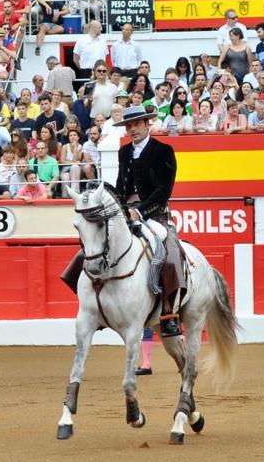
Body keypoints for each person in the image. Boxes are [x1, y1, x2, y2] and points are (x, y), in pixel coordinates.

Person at [61, 105, 184, 337]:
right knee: (93, 246)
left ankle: (169, 313)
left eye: (137, 124)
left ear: (148, 124)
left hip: (155, 212)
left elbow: (164, 190)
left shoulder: (164, 150)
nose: (132, 129)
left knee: (169, 251)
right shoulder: (124, 151)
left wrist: (141, 211)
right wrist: (116, 207)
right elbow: (120, 187)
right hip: (125, 211)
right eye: (128, 125)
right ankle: (92, 307)